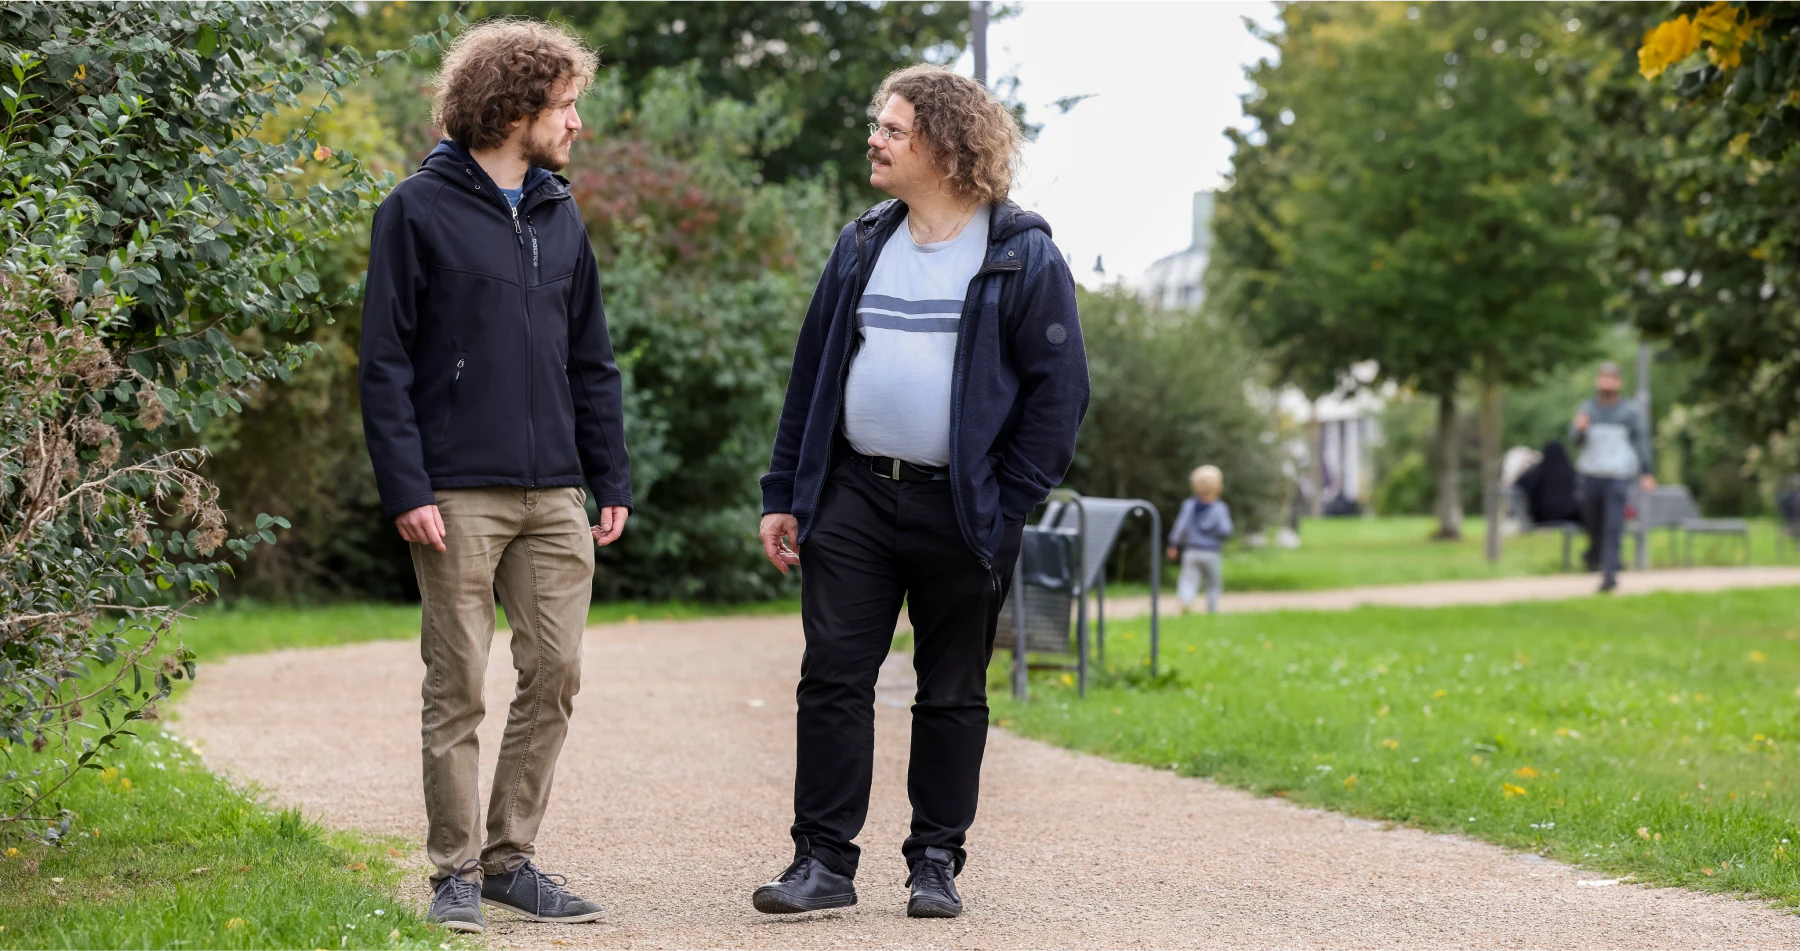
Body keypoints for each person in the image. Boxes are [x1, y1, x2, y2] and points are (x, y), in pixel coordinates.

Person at [751, 64, 1088, 920]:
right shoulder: (862, 240)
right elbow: (811, 375)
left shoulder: (1020, 253)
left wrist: (1005, 497)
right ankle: (821, 861)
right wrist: (785, 489)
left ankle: (934, 861)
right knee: (831, 679)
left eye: (893, 129)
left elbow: (1059, 394)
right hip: (855, 499)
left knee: (952, 690)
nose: (875, 138)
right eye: (880, 125)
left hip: (965, 511)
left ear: (942, 147)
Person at [358, 21, 630, 934]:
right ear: (515, 108)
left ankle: (512, 858)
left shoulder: (559, 213)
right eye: (565, 105)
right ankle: (454, 872)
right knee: (457, 684)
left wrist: (610, 475)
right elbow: (384, 360)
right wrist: (407, 486)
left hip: (555, 489)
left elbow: (591, 357)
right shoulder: (415, 209)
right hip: (455, 490)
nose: (576, 123)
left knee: (554, 672)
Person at [1570, 362, 1654, 593]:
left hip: (1617, 476)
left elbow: (1641, 443)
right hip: (1590, 476)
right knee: (1594, 525)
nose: (1606, 383)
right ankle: (1595, 555)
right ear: (1598, 381)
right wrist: (1580, 429)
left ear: (1619, 382)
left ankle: (1610, 575)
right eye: (1603, 378)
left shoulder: (1629, 412)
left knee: (1613, 526)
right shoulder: (1587, 409)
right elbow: (1575, 441)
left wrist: (1647, 472)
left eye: (1611, 378)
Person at [1166, 465, 1234, 614]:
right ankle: (1212, 609)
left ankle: (1186, 601)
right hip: (1211, 552)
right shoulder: (1220, 508)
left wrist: (1173, 544)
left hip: (1191, 551)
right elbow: (1226, 530)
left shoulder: (1189, 505)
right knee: (1213, 584)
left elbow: (1180, 527)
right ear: (1219, 488)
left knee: (1188, 580)